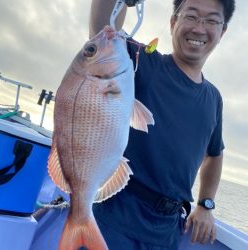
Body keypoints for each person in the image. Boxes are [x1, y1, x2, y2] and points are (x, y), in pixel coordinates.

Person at [89, 0, 235, 249]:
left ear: (222, 32)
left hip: (167, 230)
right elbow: (102, 31)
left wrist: (205, 204)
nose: (199, 29)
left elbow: (214, 155)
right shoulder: (142, 62)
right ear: (172, 22)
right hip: (114, 213)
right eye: (191, 16)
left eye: (211, 20)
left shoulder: (214, 99)